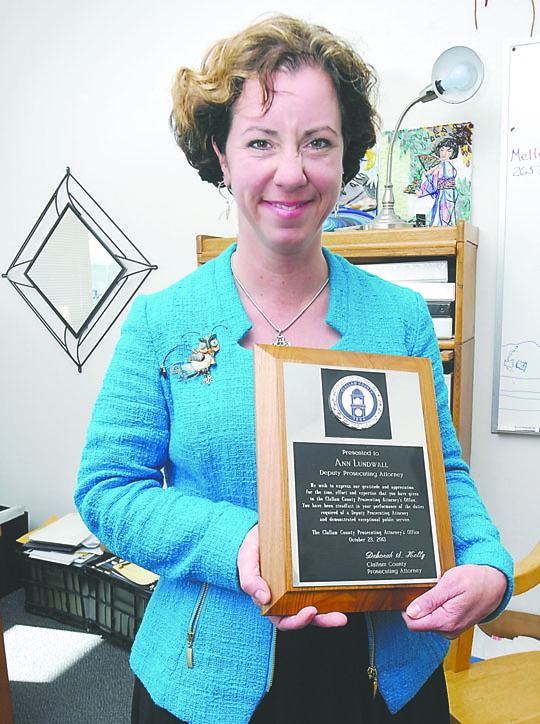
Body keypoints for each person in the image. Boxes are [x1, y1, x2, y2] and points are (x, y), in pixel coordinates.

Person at [75, 15, 513, 724]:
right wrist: (241, 542)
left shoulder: (399, 318)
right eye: (260, 142)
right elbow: (108, 490)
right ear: (220, 154)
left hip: (385, 677)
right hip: (207, 673)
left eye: (318, 142)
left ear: (345, 159)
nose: (292, 171)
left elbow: (444, 477)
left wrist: (488, 564)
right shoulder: (163, 323)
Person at [416, 139, 459, 226]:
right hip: (450, 194)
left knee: (442, 216)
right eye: (442, 150)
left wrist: (422, 191)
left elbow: (434, 182)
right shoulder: (444, 165)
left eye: (448, 151)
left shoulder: (442, 166)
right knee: (448, 216)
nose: (444, 153)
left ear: (453, 153)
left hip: (445, 194)